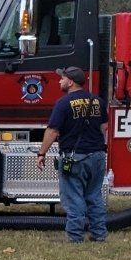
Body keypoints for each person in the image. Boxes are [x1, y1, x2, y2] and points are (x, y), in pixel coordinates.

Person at [34, 66, 107, 242]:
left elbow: (52, 131)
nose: (59, 80)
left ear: (71, 82)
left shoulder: (63, 103)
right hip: (97, 156)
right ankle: (99, 234)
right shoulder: (97, 101)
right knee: (94, 196)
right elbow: (104, 127)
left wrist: (41, 153)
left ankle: (75, 237)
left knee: (74, 199)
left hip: (75, 158)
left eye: (62, 78)